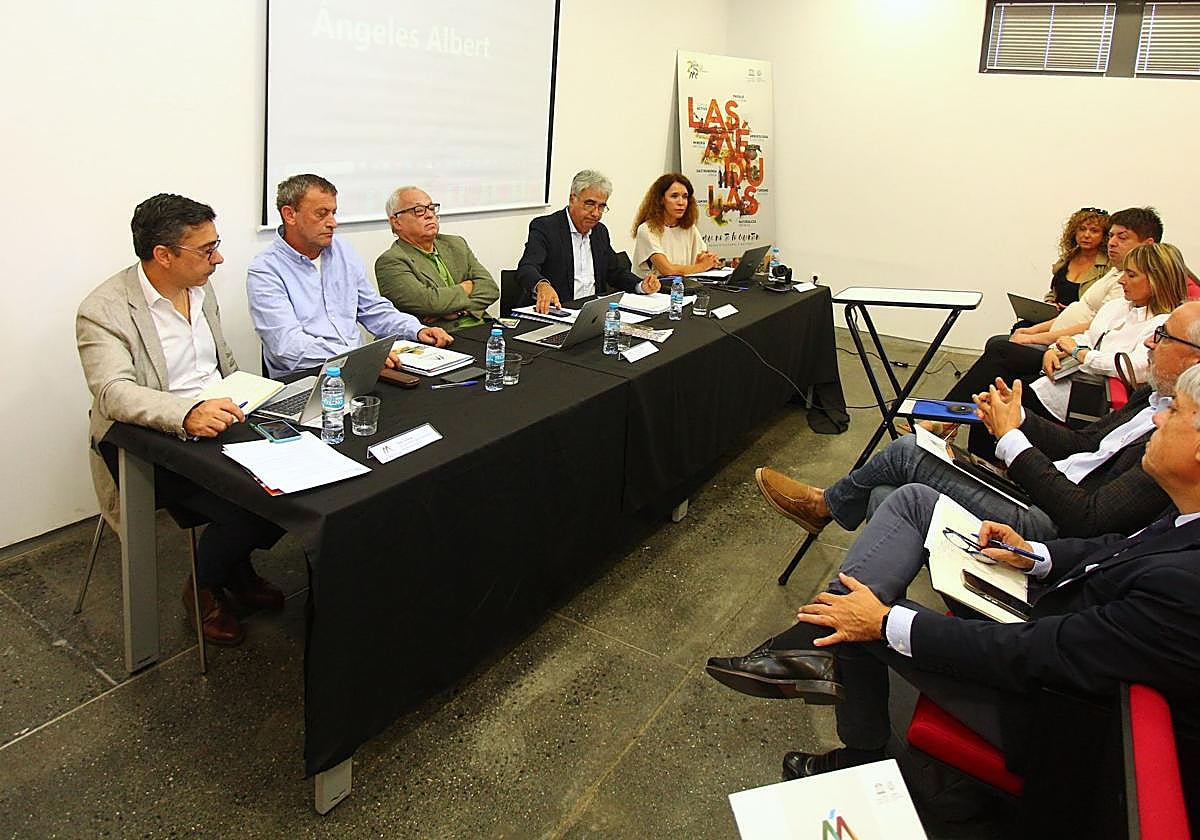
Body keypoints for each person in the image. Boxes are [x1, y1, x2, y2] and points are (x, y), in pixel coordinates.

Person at [707, 362, 1200, 794]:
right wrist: (1037, 555)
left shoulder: (1184, 584)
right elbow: (1113, 548)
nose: (1160, 416)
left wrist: (885, 624)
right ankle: (820, 642)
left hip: (1055, 709)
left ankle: (848, 723)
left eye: (1175, 411)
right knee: (902, 501)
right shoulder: (1186, 523)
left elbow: (1036, 651)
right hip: (1057, 604)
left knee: (862, 602)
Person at [753, 300, 1200, 543]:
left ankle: (824, 506)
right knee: (891, 494)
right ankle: (868, 616)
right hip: (1043, 489)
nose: (1150, 345)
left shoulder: (1175, 441)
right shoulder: (1153, 397)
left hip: (1047, 523)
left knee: (909, 450)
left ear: (1194, 357)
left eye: (1162, 338)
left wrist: (1010, 441)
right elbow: (1084, 445)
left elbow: (1087, 518)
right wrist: (1018, 417)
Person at [76, 194, 285, 646]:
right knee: (249, 507)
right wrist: (186, 413)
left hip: (218, 417)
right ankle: (205, 585)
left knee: (296, 488)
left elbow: (216, 363)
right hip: (150, 438)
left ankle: (233, 566)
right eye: (206, 250)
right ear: (163, 255)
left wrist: (250, 397)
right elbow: (113, 392)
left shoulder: (199, 287)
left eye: (216, 244)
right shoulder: (104, 309)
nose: (218, 257)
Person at [943, 207, 1163, 453]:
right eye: (1110, 235)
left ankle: (948, 425)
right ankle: (961, 441)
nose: (1111, 243)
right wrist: (1057, 347)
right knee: (996, 380)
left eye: (1121, 237)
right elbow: (1087, 332)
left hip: (1085, 384)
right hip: (1067, 365)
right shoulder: (1119, 299)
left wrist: (1075, 351)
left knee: (998, 375)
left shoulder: (1158, 321)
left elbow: (1130, 366)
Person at [247, 174, 453, 377]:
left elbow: (372, 309)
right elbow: (287, 346)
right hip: (308, 376)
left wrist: (416, 329)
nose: (332, 223)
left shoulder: (342, 250)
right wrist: (360, 356)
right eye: (321, 214)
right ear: (290, 215)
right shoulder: (265, 270)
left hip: (361, 369)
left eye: (333, 213)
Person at [1026, 241, 1188, 422]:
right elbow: (1089, 338)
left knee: (1005, 387)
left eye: (1131, 275)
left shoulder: (1165, 323)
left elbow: (1134, 368)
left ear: (1156, 281)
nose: (1122, 280)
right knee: (1002, 368)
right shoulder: (1117, 306)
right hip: (1071, 376)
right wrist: (1054, 349)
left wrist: (1081, 354)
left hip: (1093, 395)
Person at [516, 169, 661, 314]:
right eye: (590, 204)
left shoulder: (600, 232)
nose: (596, 213)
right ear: (572, 199)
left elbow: (615, 272)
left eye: (601, 206)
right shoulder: (546, 227)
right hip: (558, 311)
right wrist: (542, 285)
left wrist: (641, 285)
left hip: (591, 315)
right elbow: (527, 267)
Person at [374, 185, 498, 331]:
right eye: (419, 211)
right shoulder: (390, 261)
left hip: (482, 326)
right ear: (396, 222)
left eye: (431, 208)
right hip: (439, 337)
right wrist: (466, 287)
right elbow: (431, 302)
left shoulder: (456, 244)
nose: (429, 215)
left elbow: (491, 288)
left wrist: (458, 311)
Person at [629, 173, 720, 279]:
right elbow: (668, 270)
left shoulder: (689, 228)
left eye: (685, 197)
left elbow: (702, 259)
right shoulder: (647, 229)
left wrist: (708, 261)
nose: (681, 202)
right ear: (661, 200)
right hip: (654, 293)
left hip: (683, 288)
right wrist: (703, 266)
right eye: (674, 196)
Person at [1042, 207, 1111, 312]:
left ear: (1104, 236)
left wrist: (1072, 312)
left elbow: (1107, 304)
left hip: (1082, 322)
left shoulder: (1109, 266)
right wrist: (1049, 304)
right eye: (1082, 229)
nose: (1086, 235)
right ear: (1074, 232)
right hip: (1054, 317)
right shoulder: (1066, 258)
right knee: (1021, 325)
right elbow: (1053, 292)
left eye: (1094, 231)